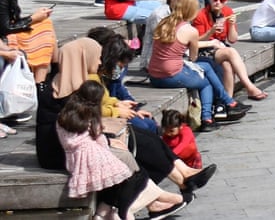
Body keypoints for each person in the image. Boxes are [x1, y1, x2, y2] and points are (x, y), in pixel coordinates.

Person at [36, 38, 217, 197]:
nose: (99, 61)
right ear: (84, 57)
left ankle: (184, 174)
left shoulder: (72, 83)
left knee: (144, 136)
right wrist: (114, 119)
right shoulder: (65, 91)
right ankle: (180, 182)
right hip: (62, 152)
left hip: (80, 143)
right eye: (96, 56)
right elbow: (84, 124)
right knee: (136, 142)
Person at [57, 80, 186, 220]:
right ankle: (133, 207)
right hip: (92, 156)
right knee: (134, 173)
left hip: (74, 159)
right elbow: (98, 138)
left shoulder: (64, 115)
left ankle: (107, 211)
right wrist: (109, 142)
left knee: (125, 175)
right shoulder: (90, 114)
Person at [147, 0, 248, 132]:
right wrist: (210, 43)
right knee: (206, 81)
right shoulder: (190, 30)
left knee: (206, 66)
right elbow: (193, 58)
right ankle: (207, 118)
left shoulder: (164, 23)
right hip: (171, 75)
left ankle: (230, 102)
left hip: (154, 75)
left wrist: (210, 42)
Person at [192, 0, 268, 100]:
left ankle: (228, 100)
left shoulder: (227, 12)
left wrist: (232, 25)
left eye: (221, 0)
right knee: (231, 52)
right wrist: (211, 31)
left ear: (226, 1)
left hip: (221, 47)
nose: (218, 2)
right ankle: (249, 87)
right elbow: (197, 41)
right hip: (205, 48)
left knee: (227, 65)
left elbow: (232, 39)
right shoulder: (201, 15)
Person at [0, 0, 57, 82]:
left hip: (9, 31)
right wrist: (33, 18)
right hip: (5, 35)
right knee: (45, 32)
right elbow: (6, 27)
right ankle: (40, 81)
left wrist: (36, 17)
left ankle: (45, 75)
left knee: (45, 23)